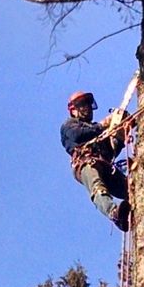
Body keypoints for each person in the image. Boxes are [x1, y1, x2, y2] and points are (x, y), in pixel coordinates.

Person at [60, 90, 131, 231]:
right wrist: (104, 124)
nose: (86, 107)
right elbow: (79, 135)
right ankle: (114, 213)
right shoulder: (69, 125)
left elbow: (111, 150)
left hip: (105, 165)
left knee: (131, 189)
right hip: (86, 163)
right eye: (82, 104)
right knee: (97, 187)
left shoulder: (97, 133)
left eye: (87, 104)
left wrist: (121, 130)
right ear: (73, 110)